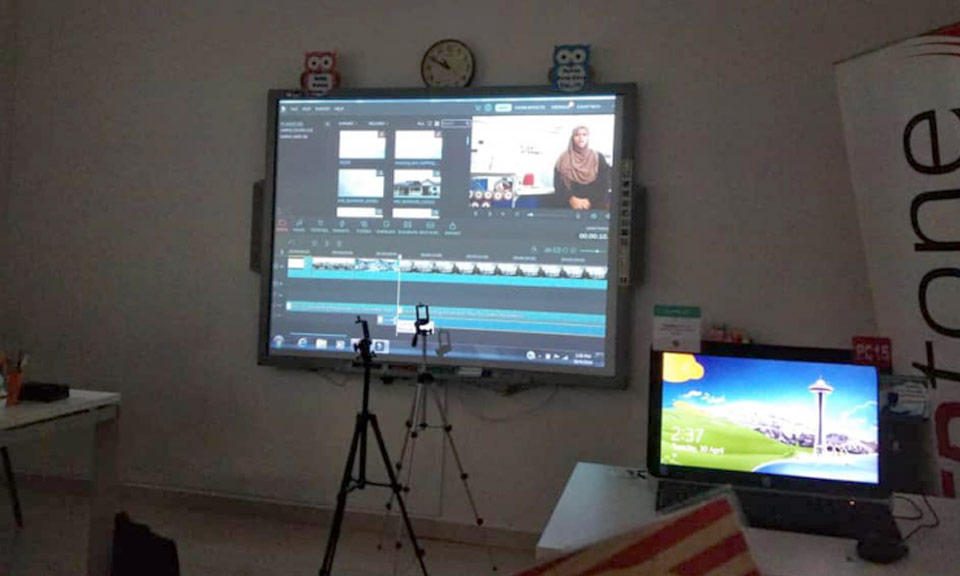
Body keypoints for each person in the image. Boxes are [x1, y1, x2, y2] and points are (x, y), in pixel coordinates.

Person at [553, 126, 611, 210]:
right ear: (572, 138)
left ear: (588, 138)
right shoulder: (563, 158)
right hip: (570, 207)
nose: (581, 138)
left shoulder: (598, 157)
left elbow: (604, 184)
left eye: (584, 135)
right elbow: (558, 185)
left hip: (595, 207)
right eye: (577, 135)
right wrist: (571, 199)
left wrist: (589, 201)